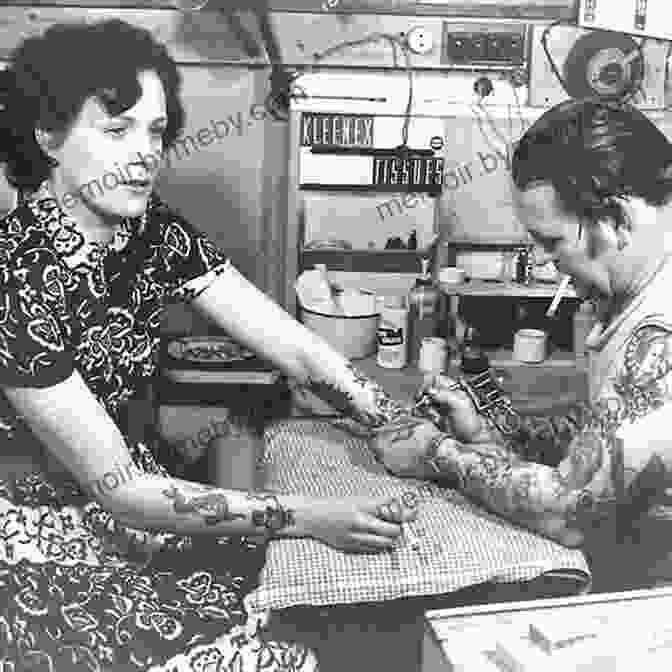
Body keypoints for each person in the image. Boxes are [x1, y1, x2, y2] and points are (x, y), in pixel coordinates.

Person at [0, 19, 419, 672]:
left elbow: (294, 345)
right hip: (40, 537)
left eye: (156, 130)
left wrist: (390, 419)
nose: (145, 153)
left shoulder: (153, 229)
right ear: (48, 137)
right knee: (276, 658)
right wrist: (305, 514)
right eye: (117, 130)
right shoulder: (14, 278)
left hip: (137, 506)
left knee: (313, 622)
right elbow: (122, 490)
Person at [372, 97, 672, 556]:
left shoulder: (661, 335)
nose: (553, 266)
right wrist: (494, 433)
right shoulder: (634, 290)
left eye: (553, 243)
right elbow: (601, 430)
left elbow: (575, 513)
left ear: (615, 219)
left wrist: (438, 454)